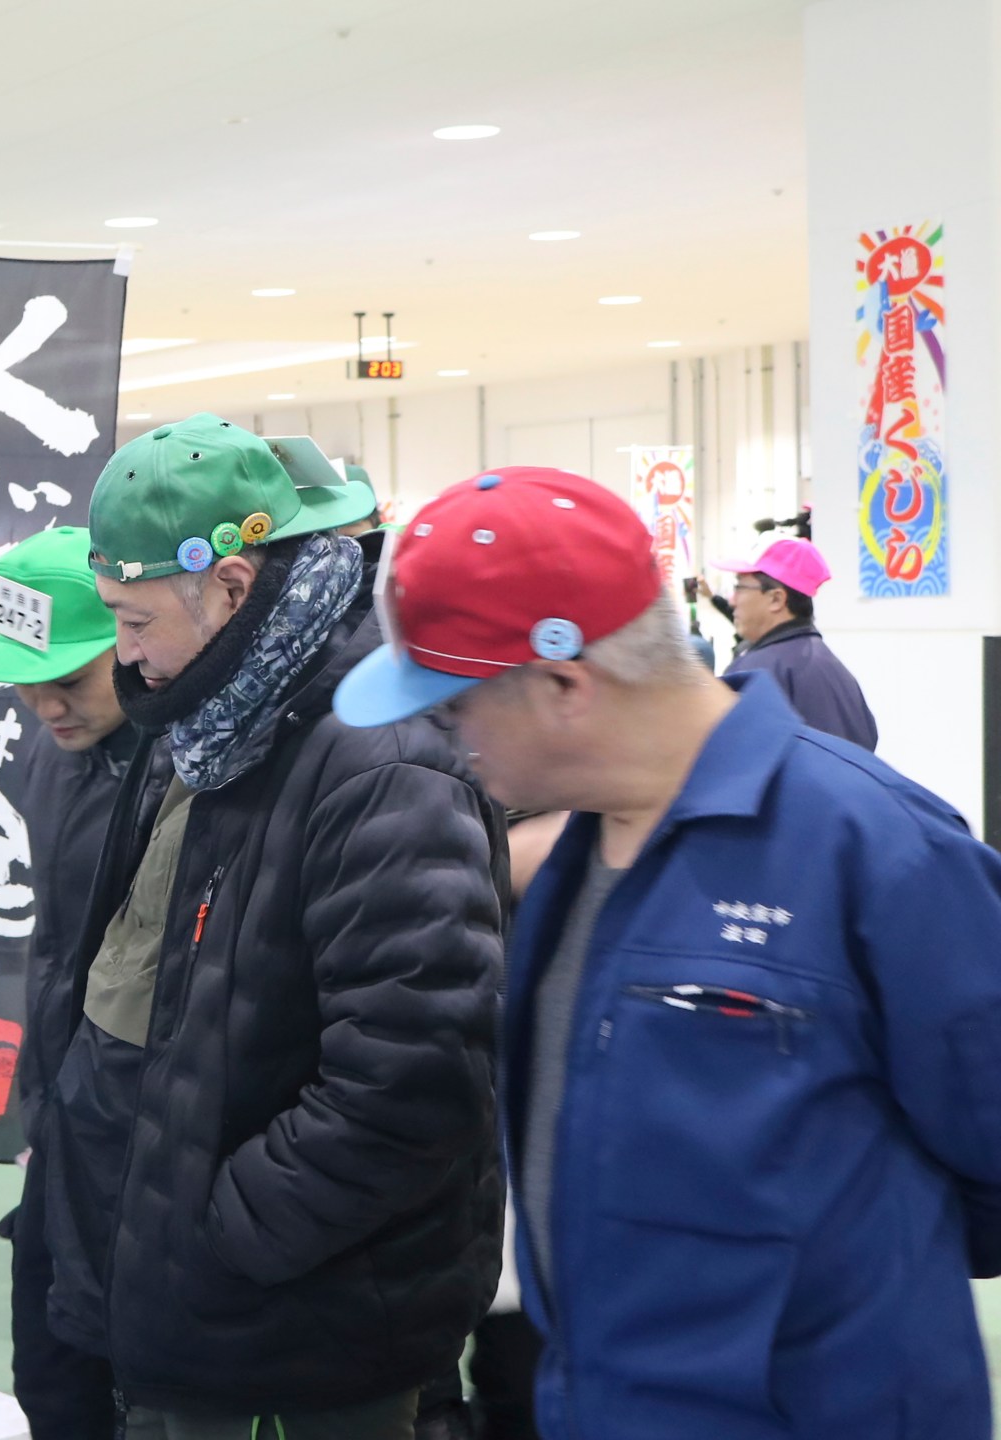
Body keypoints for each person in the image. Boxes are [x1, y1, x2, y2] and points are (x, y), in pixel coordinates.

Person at [334, 466, 1001, 1439]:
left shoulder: (875, 849)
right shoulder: (573, 859)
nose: (448, 739)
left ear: (563, 684)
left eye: (454, 707)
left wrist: (838, 1306)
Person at [45, 415, 507, 1440]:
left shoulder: (379, 763)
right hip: (186, 1290)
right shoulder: (209, 717)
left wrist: (222, 1234)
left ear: (231, 588)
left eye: (131, 621)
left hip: (302, 1324)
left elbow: (409, 1080)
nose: (125, 657)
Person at [0, 525, 134, 1439]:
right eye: (28, 682)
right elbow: (62, 945)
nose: (45, 704)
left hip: (152, 1140)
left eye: (70, 680)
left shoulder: (193, 770)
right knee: (53, 1381)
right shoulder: (51, 756)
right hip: (66, 1118)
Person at [711, 537, 876, 749]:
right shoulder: (833, 668)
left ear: (776, 599)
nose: (732, 600)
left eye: (739, 588)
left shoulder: (754, 672)